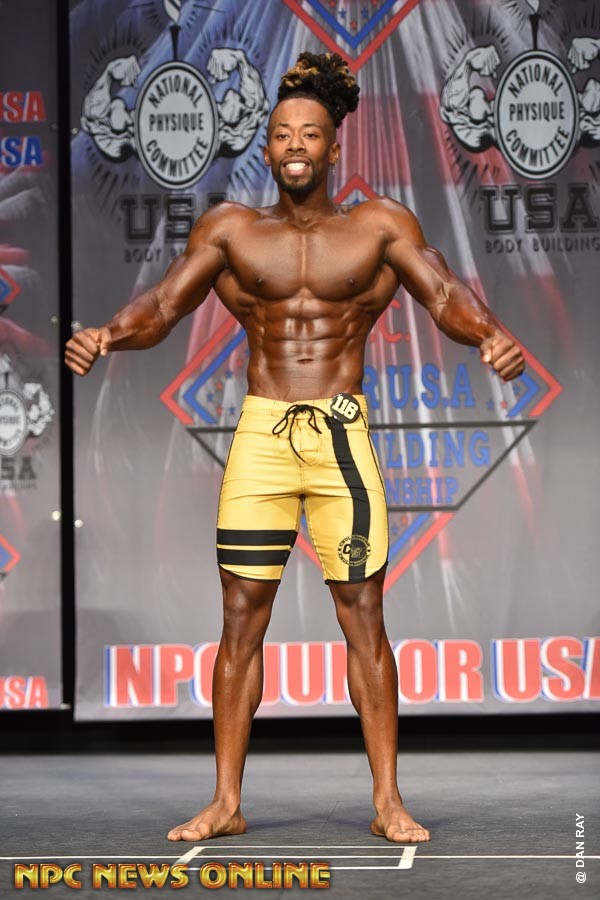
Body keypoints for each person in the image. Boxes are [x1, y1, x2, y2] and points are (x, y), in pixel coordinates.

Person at [65, 52, 525, 844]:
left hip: (340, 435)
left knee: (363, 613)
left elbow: (443, 292)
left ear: (333, 146)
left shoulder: (379, 226)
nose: (295, 145)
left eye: (310, 133)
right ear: (268, 147)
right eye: (282, 134)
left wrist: (490, 335)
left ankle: (388, 800)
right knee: (240, 615)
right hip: (262, 437)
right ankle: (225, 800)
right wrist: (108, 334)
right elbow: (165, 305)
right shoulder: (231, 231)